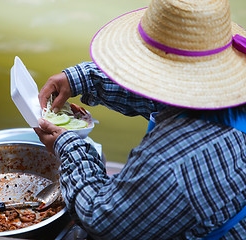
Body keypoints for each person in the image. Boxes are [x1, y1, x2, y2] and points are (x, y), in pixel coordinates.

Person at [33, 0, 246, 239]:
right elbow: (162, 98)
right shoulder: (219, 95)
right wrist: (84, 79)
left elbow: (100, 217)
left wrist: (70, 147)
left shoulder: (169, 162)